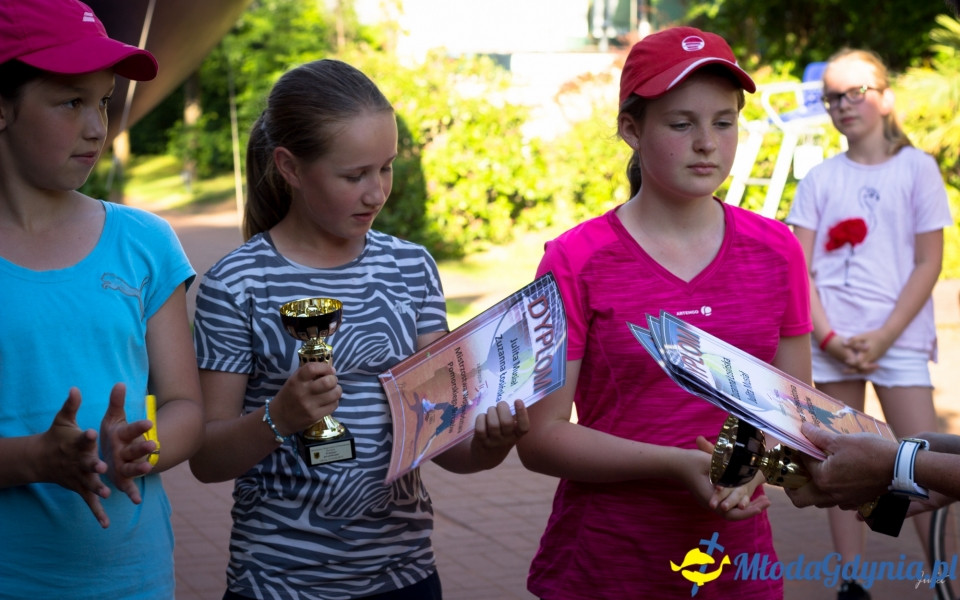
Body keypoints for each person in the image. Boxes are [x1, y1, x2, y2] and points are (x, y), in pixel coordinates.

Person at [188, 58, 529, 600]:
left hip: (405, 577)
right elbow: (206, 458)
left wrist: (489, 442)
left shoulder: (412, 268)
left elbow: (443, 439)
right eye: (354, 176)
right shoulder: (237, 282)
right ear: (290, 168)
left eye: (387, 168)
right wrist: (281, 417)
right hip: (277, 581)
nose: (377, 193)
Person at [515, 26, 813, 599]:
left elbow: (795, 411)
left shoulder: (778, 250)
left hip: (736, 566)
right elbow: (542, 438)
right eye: (681, 124)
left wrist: (752, 464)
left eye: (723, 122)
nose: (707, 142)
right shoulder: (574, 261)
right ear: (632, 129)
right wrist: (678, 464)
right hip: (604, 564)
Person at [0, 1, 204, 598]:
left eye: (105, 102)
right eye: (71, 102)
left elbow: (185, 407)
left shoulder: (144, 244)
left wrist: (141, 450)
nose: (98, 127)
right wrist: (35, 461)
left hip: (131, 579)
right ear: (3, 106)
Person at [784, 47, 954, 599]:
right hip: (832, 338)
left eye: (856, 91)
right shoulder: (819, 177)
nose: (843, 104)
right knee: (839, 463)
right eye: (832, 96)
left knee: (920, 461)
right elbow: (797, 266)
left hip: (898, 342)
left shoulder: (918, 169)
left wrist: (883, 336)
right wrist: (828, 336)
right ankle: (852, 582)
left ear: (886, 97)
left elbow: (930, 261)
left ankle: (942, 577)